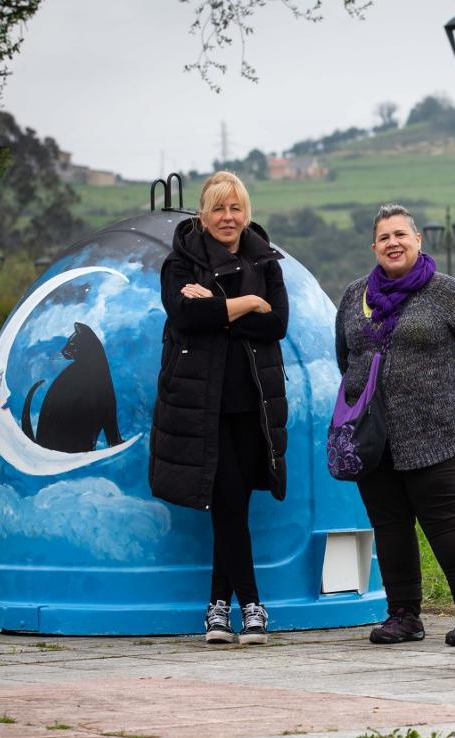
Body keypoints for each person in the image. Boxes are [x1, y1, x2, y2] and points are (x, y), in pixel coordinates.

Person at [335, 204, 455, 647]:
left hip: (436, 431)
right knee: (389, 526)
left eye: (400, 235)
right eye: (384, 237)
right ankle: (403, 614)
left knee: (445, 521)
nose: (393, 243)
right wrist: (357, 401)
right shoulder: (355, 296)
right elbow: (345, 354)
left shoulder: (446, 293)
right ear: (374, 246)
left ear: (417, 241)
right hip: (373, 438)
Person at [150, 170, 289, 646]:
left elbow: (277, 325)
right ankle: (250, 606)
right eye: (218, 208)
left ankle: (216, 609)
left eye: (235, 208)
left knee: (232, 506)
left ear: (246, 213)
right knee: (228, 501)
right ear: (203, 214)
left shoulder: (266, 260)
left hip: (253, 405)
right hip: (202, 407)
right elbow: (187, 317)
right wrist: (250, 304)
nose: (227, 217)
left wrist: (225, 305)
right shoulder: (180, 264)